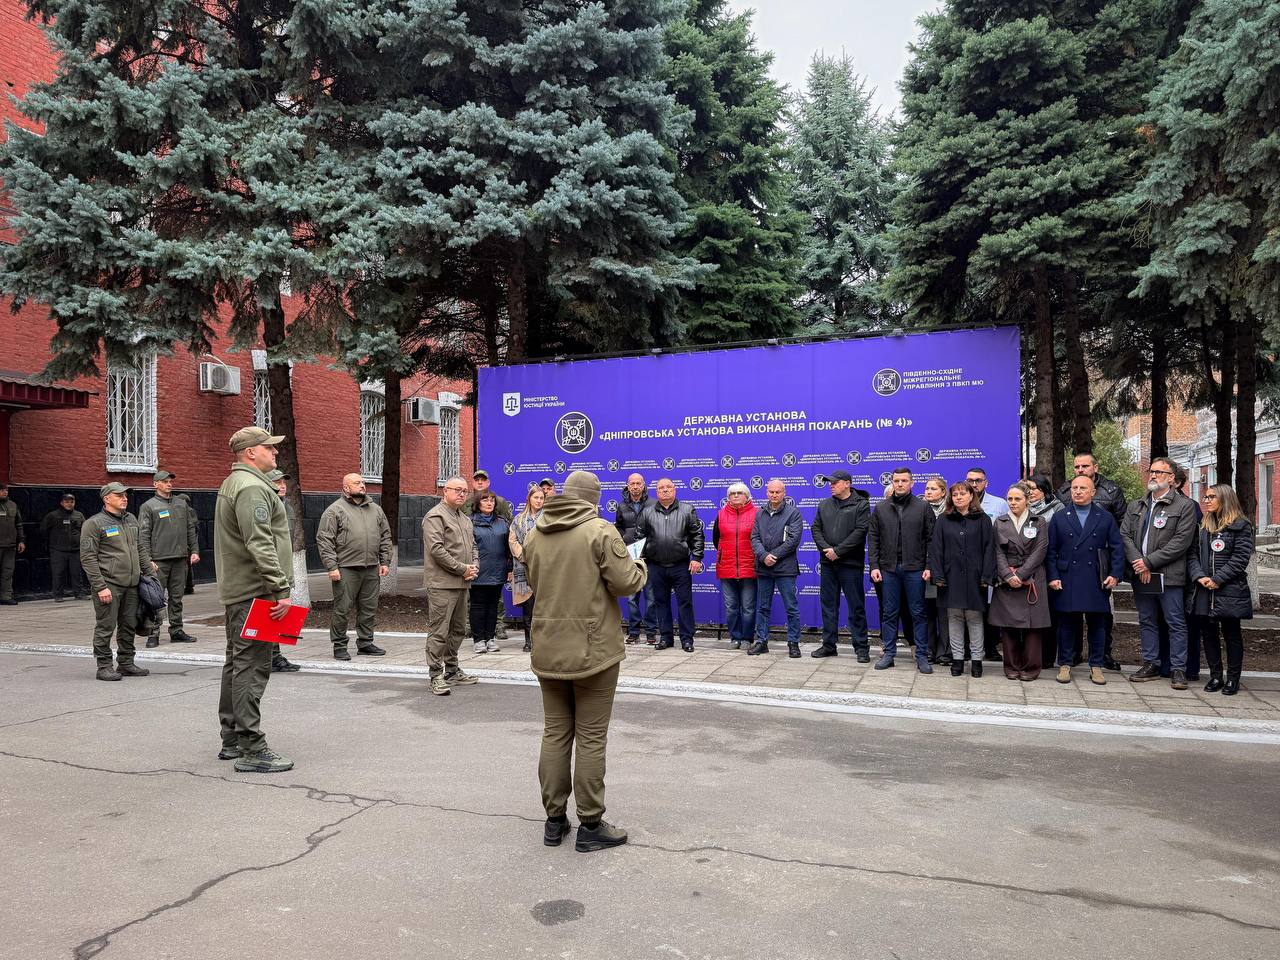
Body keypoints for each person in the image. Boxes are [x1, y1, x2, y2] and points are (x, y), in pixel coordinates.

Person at [523, 470, 647, 853]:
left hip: (547, 646)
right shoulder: (600, 531)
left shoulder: (535, 533)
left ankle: (554, 821)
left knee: (555, 732)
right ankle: (590, 825)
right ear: (594, 498)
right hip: (594, 649)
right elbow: (626, 582)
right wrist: (640, 565)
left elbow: (534, 581)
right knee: (591, 736)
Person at [214, 426, 295, 772]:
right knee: (252, 666)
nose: (274, 453)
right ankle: (252, 748)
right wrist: (281, 589)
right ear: (250, 452)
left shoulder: (238, 483)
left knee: (238, 663)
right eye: (268, 448)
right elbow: (259, 542)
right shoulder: (251, 487)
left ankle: (232, 739)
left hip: (246, 590)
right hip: (257, 592)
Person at [1120, 457, 1199, 689]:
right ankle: (1151, 663)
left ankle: (1178, 668)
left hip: (1169, 576)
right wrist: (1139, 563)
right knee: (1147, 620)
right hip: (1141, 574)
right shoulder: (1137, 505)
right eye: (1151, 471)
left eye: (1159, 472)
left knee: (1175, 621)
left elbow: (1181, 542)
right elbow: (1125, 535)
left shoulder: (1184, 506)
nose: (1153, 475)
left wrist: (1148, 563)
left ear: (1172, 478)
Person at [1046, 475, 1126, 685]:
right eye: (1074, 488)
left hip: (1095, 579)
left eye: (1083, 488)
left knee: (1097, 625)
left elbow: (1117, 549)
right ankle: (1065, 664)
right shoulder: (1060, 517)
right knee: (1066, 624)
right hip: (1067, 578)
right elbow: (1051, 551)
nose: (1078, 491)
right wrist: (1053, 576)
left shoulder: (1105, 518)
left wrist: (1115, 574)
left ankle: (1096, 666)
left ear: (1093, 492)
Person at [316, 473, 391, 661]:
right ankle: (340, 645)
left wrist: (384, 561)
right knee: (342, 609)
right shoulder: (335, 510)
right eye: (357, 483)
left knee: (369, 608)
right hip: (345, 568)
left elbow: (385, 536)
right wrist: (331, 566)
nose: (362, 485)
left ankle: (365, 643)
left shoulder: (376, 510)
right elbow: (325, 540)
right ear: (346, 488)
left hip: (371, 568)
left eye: (363, 482)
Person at [80, 482, 149, 681]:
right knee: (106, 626)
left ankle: (126, 663)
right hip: (109, 584)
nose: (124, 498)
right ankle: (104, 666)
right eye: (119, 495)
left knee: (129, 625)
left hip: (132, 584)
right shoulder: (94, 524)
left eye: (125, 495)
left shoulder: (131, 519)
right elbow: (88, 558)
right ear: (106, 498)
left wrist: (150, 574)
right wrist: (100, 587)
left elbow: (140, 548)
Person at [1189, 484, 1253, 696]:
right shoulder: (1203, 526)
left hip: (1229, 589)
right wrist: (1199, 576)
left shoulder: (1241, 525)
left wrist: (1218, 579)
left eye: (1212, 497)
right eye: (1205, 497)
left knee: (1232, 634)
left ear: (1225, 499)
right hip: (1205, 589)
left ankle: (1233, 679)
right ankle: (1216, 676)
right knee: (1208, 634)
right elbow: (1192, 554)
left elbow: (1240, 558)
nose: (1206, 501)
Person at [868, 467, 934, 671]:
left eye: (904, 481)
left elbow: (932, 539)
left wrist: (929, 565)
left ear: (912, 483)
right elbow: (873, 539)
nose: (900, 484)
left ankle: (921, 655)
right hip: (888, 569)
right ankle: (889, 654)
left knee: (918, 613)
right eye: (896, 481)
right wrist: (874, 566)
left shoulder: (923, 507)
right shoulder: (881, 508)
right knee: (889, 613)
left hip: (915, 568)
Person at [929, 482, 996, 677]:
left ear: (971, 496)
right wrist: (938, 575)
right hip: (949, 578)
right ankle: (957, 660)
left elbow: (989, 549)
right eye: (955, 494)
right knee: (954, 618)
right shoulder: (943, 519)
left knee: (975, 619)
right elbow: (936, 549)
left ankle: (976, 661)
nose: (958, 497)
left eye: (962, 494)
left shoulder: (983, 519)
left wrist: (986, 576)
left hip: (976, 578)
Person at [422, 476, 480, 695]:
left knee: (458, 629)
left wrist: (474, 566)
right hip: (442, 584)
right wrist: (462, 568)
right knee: (439, 630)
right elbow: (436, 550)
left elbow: (473, 546)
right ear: (445, 491)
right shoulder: (435, 516)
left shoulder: (464, 519)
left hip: (462, 582)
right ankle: (436, 674)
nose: (462, 494)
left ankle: (452, 670)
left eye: (465, 491)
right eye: (457, 490)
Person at [989, 483, 1051, 681]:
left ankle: (1031, 668)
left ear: (1027, 500)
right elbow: (997, 551)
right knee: (1008, 627)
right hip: (1007, 579)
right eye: (1010, 499)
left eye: (1017, 499)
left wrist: (1022, 574)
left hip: (1032, 578)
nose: (1013, 502)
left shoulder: (1038, 521)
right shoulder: (1000, 522)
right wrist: (1008, 575)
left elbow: (1040, 550)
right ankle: (1011, 666)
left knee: (1033, 628)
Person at [636, 478, 704, 652]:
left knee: (685, 603)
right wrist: (641, 560)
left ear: (675, 490)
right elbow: (639, 537)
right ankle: (666, 638)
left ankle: (687, 639)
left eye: (668, 487)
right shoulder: (647, 512)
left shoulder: (687, 510)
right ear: (656, 492)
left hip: (681, 565)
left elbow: (697, 535)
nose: (665, 490)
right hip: (656, 565)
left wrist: (696, 557)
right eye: (661, 488)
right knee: (660, 602)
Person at [811, 469, 872, 660]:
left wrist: (838, 551)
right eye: (830, 482)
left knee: (856, 606)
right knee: (828, 606)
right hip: (828, 563)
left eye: (835, 482)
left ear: (847, 483)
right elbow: (816, 529)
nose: (831, 485)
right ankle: (829, 645)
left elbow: (860, 531)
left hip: (850, 564)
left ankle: (861, 647)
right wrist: (827, 550)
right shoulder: (824, 504)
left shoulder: (861, 504)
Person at [137, 469, 201, 648]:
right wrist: (147, 559)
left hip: (180, 559)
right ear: (155, 484)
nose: (169, 484)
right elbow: (143, 535)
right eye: (165, 481)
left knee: (177, 598)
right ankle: (153, 633)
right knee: (155, 599)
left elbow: (190, 529)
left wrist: (194, 550)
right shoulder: (148, 506)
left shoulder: (181, 504)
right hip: (159, 561)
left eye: (170, 481)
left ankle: (176, 630)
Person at [751, 480, 804, 658]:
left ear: (784, 493)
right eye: (771, 492)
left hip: (785, 568)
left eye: (778, 492)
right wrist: (763, 556)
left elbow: (793, 540)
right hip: (764, 567)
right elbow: (754, 537)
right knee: (763, 607)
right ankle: (762, 641)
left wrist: (773, 556)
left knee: (791, 607)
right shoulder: (760, 513)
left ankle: (793, 643)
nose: (774, 495)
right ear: (767, 493)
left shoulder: (793, 513)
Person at [712, 482, 757, 651]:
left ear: (747, 496)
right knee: (731, 607)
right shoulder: (721, 514)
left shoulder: (757, 513)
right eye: (732, 493)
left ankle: (747, 638)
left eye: (739, 493)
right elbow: (716, 539)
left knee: (748, 607)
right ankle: (735, 637)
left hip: (749, 567)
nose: (736, 496)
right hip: (727, 567)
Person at [264, 469, 300, 673]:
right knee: (270, 613)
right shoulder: (266, 506)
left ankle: (274, 655)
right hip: (271, 569)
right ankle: (270, 657)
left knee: (277, 613)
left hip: (284, 568)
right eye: (277, 482)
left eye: (284, 482)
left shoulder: (287, 506)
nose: (282, 485)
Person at [614, 473, 657, 644]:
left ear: (644, 485)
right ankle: (633, 632)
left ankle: (651, 632)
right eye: (632, 483)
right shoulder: (622, 506)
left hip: (650, 556)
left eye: (638, 483)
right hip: (630, 557)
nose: (635, 486)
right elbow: (618, 527)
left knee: (651, 598)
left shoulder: (653, 504)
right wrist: (624, 538)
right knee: (632, 599)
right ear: (628, 485)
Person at [469, 491, 512, 653]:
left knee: (493, 606)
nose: (489, 503)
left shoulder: (502, 523)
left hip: (498, 570)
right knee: (478, 606)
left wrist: (509, 569)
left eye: (492, 500)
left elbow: (508, 549)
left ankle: (490, 638)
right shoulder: (470, 522)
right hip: (478, 571)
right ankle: (478, 640)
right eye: (485, 500)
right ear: (478, 503)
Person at [509, 486, 545, 653]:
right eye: (536, 497)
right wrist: (524, 556)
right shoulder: (519, 519)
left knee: (542, 606)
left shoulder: (548, 518)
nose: (539, 501)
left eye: (541, 498)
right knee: (527, 606)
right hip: (522, 566)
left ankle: (542, 641)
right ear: (529, 498)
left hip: (543, 566)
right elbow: (512, 540)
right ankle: (528, 641)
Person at [921, 478, 950, 664]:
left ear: (943, 492)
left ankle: (945, 652)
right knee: (928, 611)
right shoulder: (919, 509)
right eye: (927, 488)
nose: (929, 491)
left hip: (947, 569)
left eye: (933, 489)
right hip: (926, 568)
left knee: (946, 612)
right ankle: (929, 649)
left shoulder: (951, 511)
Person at [41, 493, 87, 601]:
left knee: (77, 573)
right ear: (61, 503)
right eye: (66, 502)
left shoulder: (79, 515)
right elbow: (43, 530)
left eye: (72, 502)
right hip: (58, 550)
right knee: (58, 573)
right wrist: (54, 541)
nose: (69, 504)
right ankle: (58, 595)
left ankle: (79, 593)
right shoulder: (53, 515)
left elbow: (85, 530)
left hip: (75, 550)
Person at [0, 482, 25, 604]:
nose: (5, 492)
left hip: (10, 545)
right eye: (2, 490)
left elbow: (19, 524)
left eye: (6, 490)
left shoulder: (13, 505)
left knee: (8, 571)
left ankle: (6, 596)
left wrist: (21, 541)